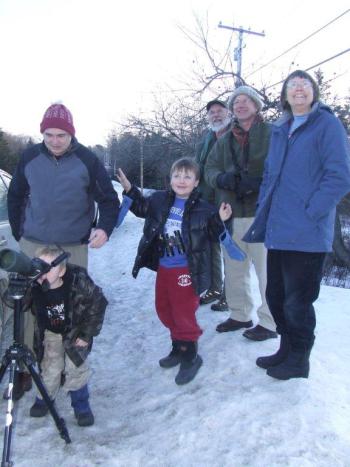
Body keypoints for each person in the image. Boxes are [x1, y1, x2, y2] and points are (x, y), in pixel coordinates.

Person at [7, 103, 119, 399]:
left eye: (61, 135)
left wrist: (104, 228)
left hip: (72, 247)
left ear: (72, 134)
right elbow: (16, 195)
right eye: (48, 134)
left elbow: (109, 200)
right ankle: (25, 370)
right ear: (41, 133)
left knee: (72, 308)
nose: (55, 141)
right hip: (33, 243)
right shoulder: (30, 157)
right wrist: (21, 234)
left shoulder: (88, 160)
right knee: (28, 307)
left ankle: (73, 373)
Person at [243, 70, 350, 380]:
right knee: (276, 296)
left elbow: (339, 176)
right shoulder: (281, 128)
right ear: (285, 96)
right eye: (292, 85)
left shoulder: (326, 125)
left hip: (307, 232)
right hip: (278, 228)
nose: (299, 88)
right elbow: (270, 176)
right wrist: (265, 202)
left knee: (297, 302)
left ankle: (299, 359)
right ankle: (285, 350)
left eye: (304, 84)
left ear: (314, 92)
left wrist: (312, 211)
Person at [117, 158, 232, 385]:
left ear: (196, 182)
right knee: (164, 309)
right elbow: (141, 208)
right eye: (177, 175)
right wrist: (130, 189)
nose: (181, 180)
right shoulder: (160, 200)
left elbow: (213, 234)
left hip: (186, 271)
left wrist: (221, 219)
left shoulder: (204, 208)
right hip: (165, 268)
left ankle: (190, 355)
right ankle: (178, 347)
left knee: (183, 312)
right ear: (170, 179)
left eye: (187, 176)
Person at [205, 85, 277, 341]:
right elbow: (209, 169)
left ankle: (270, 322)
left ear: (256, 105)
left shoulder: (271, 133)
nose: (241, 105)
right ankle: (240, 314)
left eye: (247, 101)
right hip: (231, 213)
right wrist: (222, 179)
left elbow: (281, 166)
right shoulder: (224, 140)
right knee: (235, 268)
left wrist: (259, 182)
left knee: (266, 271)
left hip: (263, 214)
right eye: (236, 102)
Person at [28, 245, 107, 426]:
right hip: (51, 333)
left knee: (76, 368)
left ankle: (81, 405)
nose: (42, 272)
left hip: (75, 332)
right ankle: (44, 399)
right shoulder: (34, 284)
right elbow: (20, 303)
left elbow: (98, 303)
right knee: (50, 367)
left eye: (49, 268)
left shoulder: (78, 281)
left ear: (62, 271)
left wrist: (87, 334)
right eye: (39, 266)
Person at [195, 99, 231, 311]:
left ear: (228, 113)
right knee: (212, 247)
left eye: (220, 111)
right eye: (212, 112)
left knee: (229, 247)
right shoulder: (206, 140)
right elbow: (199, 168)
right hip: (207, 202)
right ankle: (215, 288)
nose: (216, 115)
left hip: (229, 202)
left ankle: (230, 294)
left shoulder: (236, 136)